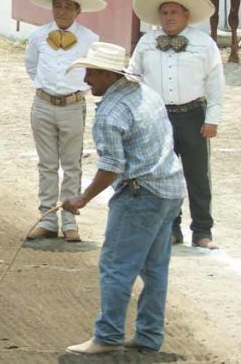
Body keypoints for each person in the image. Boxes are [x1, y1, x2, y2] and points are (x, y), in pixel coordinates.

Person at [62, 42, 185, 356]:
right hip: (170, 189)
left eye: (91, 72)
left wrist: (82, 198)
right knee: (155, 269)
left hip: (140, 195)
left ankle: (108, 335)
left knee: (116, 266)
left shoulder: (109, 114)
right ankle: (148, 336)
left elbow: (111, 167)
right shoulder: (146, 92)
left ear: (107, 74)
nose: (86, 78)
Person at [128, 0, 224, 249]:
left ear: (186, 15)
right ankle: (171, 228)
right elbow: (132, 76)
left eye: (174, 12)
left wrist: (212, 119)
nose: (169, 17)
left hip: (193, 115)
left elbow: (216, 83)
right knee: (163, 176)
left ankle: (203, 231)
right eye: (164, 13)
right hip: (157, 116)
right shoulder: (147, 42)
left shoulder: (204, 44)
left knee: (197, 176)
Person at [23, 0, 104, 242]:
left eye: (68, 6)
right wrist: (44, 87)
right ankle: (47, 218)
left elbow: (95, 72)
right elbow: (32, 66)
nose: (62, 11)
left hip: (72, 105)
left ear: (78, 10)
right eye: (58, 5)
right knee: (46, 164)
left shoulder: (90, 39)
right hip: (44, 103)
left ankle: (69, 220)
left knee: (71, 164)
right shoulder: (38, 36)